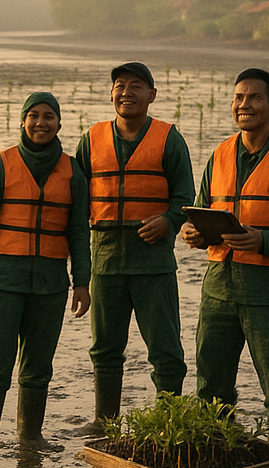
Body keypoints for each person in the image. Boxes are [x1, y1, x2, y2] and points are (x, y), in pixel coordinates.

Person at [180, 68, 269, 448]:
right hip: (217, 290)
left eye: (254, 97)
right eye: (239, 97)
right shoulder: (220, 154)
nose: (245, 105)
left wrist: (263, 239)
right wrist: (192, 232)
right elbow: (200, 208)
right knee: (211, 385)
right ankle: (214, 456)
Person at [0, 91, 91, 460]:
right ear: (23, 121)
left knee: (38, 366)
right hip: (3, 281)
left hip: (50, 285)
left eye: (48, 116)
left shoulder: (73, 171)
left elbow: (79, 233)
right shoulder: (2, 165)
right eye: (33, 115)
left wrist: (82, 282)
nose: (41, 123)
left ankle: (31, 436)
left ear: (59, 124)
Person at [74, 61, 195, 432]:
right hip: (106, 261)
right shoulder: (92, 138)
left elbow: (185, 196)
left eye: (136, 86)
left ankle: (167, 423)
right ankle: (104, 421)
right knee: (105, 349)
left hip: (153, 264)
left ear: (151, 95)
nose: (127, 92)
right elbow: (75, 197)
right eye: (120, 85)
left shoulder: (169, 138)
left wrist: (169, 220)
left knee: (166, 351)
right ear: (112, 93)